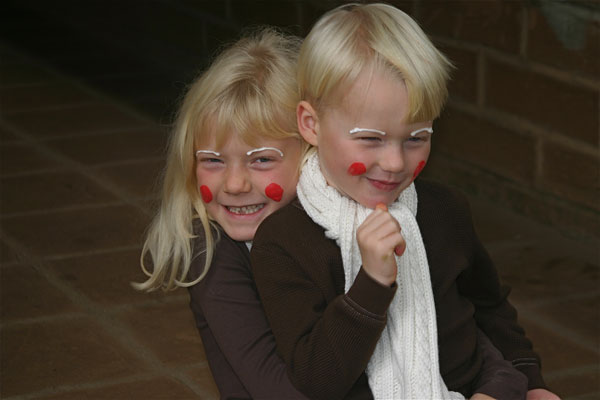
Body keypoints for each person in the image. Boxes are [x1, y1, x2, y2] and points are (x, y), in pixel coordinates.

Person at [251, 3, 560, 400]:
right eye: (370, 139)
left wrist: (531, 380)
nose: (395, 163)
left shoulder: (445, 211)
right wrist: (372, 284)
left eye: (416, 138)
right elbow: (316, 380)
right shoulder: (284, 241)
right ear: (311, 124)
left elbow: (490, 307)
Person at [134, 28, 309, 399]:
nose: (234, 184)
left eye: (261, 160)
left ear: (311, 154)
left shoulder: (326, 228)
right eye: (213, 161)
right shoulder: (212, 252)